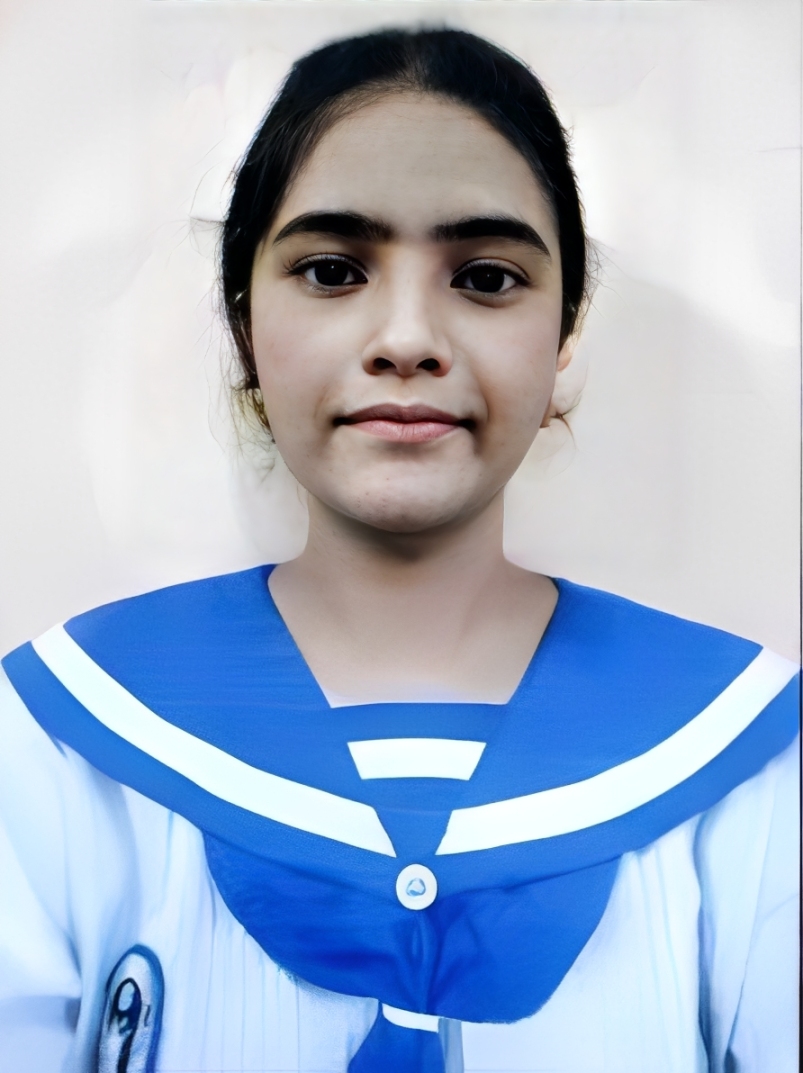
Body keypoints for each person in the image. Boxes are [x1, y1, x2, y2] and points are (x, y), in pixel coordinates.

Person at [0, 27, 798, 1073]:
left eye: (487, 276)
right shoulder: (53, 743)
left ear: (565, 330)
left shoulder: (748, 757)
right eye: (332, 270)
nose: (408, 338)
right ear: (244, 325)